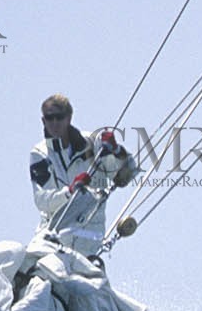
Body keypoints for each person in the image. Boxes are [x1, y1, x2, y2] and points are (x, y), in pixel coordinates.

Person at [29, 93, 138, 257]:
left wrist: (117, 151)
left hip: (89, 241)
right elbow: (42, 201)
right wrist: (70, 191)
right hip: (53, 240)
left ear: (69, 118)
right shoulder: (40, 154)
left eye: (59, 117)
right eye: (49, 118)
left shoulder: (93, 143)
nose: (54, 123)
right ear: (43, 121)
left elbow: (124, 176)